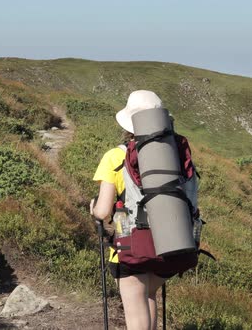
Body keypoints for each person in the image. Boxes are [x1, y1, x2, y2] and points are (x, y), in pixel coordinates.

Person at [90, 90, 177, 330]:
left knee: (136, 307)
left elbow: (103, 211)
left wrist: (93, 210)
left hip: (130, 245)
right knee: (148, 296)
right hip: (170, 242)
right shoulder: (173, 156)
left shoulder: (115, 156)